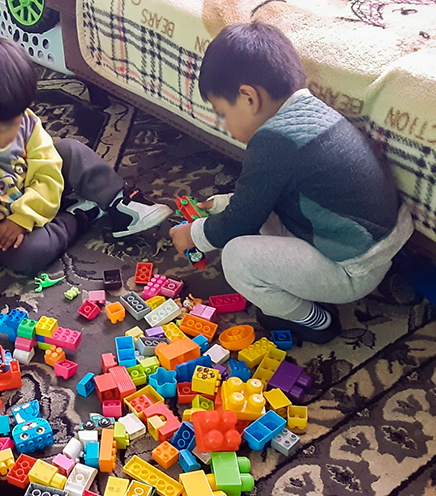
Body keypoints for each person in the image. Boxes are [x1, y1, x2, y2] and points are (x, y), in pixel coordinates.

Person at [170, 21, 413, 343]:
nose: (226, 125)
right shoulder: (312, 113)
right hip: (368, 242)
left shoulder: (273, 142)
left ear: (248, 98)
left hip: (352, 269)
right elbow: (267, 196)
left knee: (237, 257)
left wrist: (194, 235)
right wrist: (224, 204)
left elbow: (237, 226)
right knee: (255, 206)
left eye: (223, 113)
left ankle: (315, 321)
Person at [0, 33, 172, 281]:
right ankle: (80, 215)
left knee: (71, 150)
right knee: (30, 255)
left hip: (35, 192)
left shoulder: (27, 121)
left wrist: (25, 215)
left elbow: (48, 170)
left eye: (8, 126)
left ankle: (119, 201)